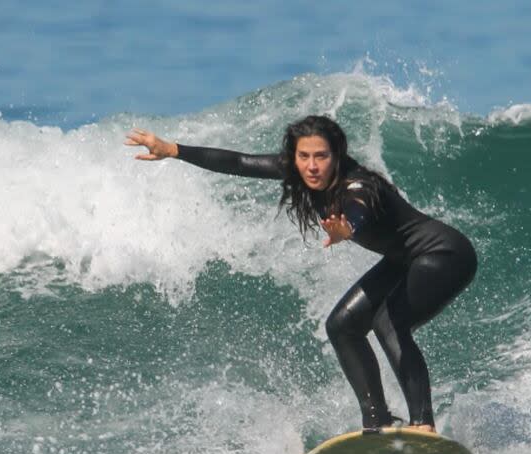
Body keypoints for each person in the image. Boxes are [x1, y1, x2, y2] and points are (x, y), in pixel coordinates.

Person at [124, 115, 477, 433]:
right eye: (303, 156)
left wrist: (346, 231)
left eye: (321, 156)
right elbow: (240, 162)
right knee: (342, 326)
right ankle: (378, 422)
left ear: (337, 156)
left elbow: (359, 210)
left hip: (444, 255)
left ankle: (422, 423)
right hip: (405, 260)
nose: (311, 166)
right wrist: (172, 149)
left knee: (389, 323)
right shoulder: (298, 172)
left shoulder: (359, 186)